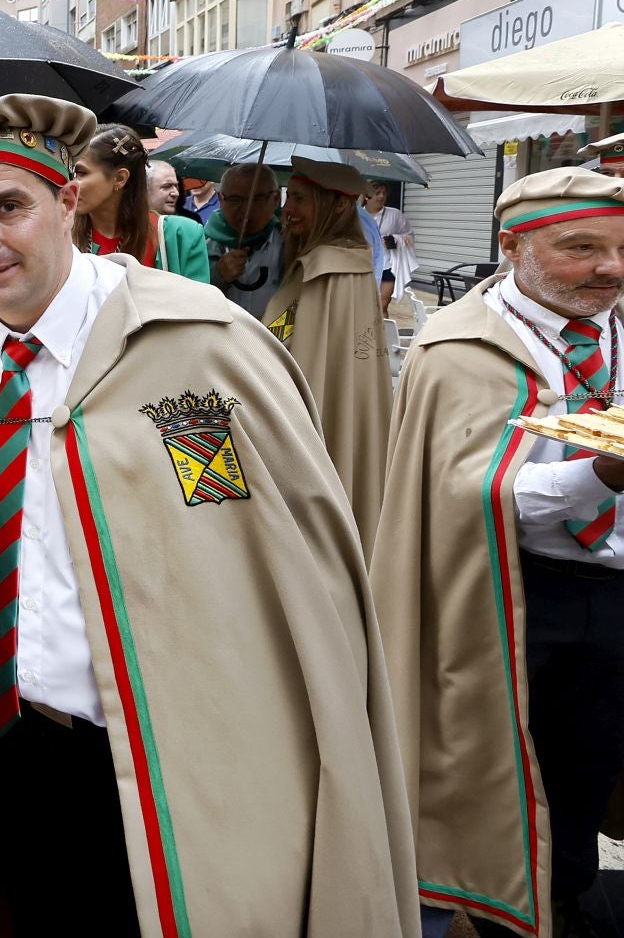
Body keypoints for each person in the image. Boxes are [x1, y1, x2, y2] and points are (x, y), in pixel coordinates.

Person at [0, 99, 416, 937]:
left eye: (8, 207)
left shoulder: (192, 349)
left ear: (68, 200)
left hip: (167, 754)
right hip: (7, 746)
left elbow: (257, 553)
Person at [375, 168, 624, 938]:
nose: (609, 268)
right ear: (513, 246)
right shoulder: (457, 347)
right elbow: (469, 499)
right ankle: (490, 907)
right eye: (581, 247)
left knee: (590, 768)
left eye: (620, 248)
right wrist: (602, 474)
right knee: (494, 767)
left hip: (614, 596)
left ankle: (569, 900)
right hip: (503, 596)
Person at [263, 157, 392, 550]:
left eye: (300, 199)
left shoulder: (327, 267)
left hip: (314, 408)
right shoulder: (341, 260)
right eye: (288, 197)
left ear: (337, 205)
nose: (288, 210)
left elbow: (281, 340)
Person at [71, 124, 209, 281]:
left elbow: (196, 303)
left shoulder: (182, 236)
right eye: (70, 172)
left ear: (120, 178)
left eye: (80, 173)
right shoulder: (62, 233)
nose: (70, 183)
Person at [207, 162, 285, 317]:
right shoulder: (200, 244)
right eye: (235, 199)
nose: (247, 209)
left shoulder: (290, 244)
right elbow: (190, 303)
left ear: (275, 198)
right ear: (220, 198)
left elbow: (297, 305)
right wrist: (218, 276)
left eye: (257, 199)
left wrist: (277, 336)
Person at [367, 181, 418, 316]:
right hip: (365, 266)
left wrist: (396, 239)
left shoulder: (394, 214)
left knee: (382, 305)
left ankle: (383, 336)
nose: (381, 196)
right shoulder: (358, 215)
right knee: (365, 306)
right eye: (377, 193)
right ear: (367, 195)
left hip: (388, 265)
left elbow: (409, 235)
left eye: (384, 193)